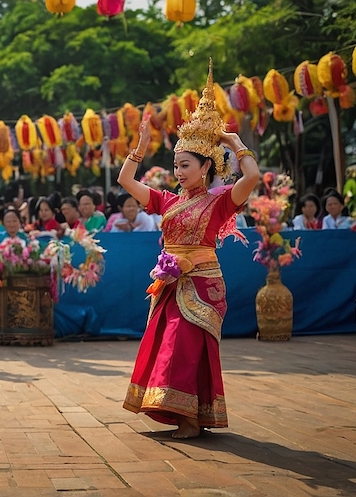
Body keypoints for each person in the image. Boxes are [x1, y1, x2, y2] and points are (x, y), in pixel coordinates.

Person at [117, 61, 260, 439]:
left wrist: (234, 144)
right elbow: (124, 180)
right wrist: (139, 149)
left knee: (185, 346)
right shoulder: (166, 201)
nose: (178, 171)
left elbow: (253, 177)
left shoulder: (221, 201)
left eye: (185, 165)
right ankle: (186, 416)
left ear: (205, 166)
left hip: (202, 284)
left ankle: (193, 418)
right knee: (167, 345)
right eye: (176, 165)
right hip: (170, 284)